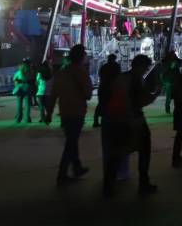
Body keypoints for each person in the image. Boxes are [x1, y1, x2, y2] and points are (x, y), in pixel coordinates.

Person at [102, 54, 160, 196]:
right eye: (146, 67)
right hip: (132, 120)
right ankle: (143, 183)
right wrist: (155, 94)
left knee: (117, 153)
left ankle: (108, 185)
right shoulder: (135, 79)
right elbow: (140, 100)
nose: (146, 70)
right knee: (144, 150)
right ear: (140, 66)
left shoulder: (121, 77)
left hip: (116, 120)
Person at [52, 45, 92, 186]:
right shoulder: (82, 72)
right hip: (77, 112)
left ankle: (77, 168)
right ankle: (62, 174)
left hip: (65, 111)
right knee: (71, 143)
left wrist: (49, 112)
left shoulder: (62, 72)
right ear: (81, 57)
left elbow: (53, 93)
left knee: (72, 141)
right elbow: (88, 94)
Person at [93, 54, 121, 128]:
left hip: (103, 88)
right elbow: (118, 76)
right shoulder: (116, 66)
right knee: (109, 105)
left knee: (101, 105)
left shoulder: (104, 66)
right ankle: (108, 121)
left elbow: (101, 75)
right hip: (110, 88)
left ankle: (97, 121)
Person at [36, 60, 54, 124]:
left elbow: (37, 82)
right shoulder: (51, 75)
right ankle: (48, 118)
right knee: (47, 106)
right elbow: (53, 83)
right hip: (48, 92)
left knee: (41, 107)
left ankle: (42, 118)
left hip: (40, 92)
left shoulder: (39, 74)